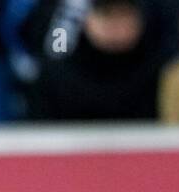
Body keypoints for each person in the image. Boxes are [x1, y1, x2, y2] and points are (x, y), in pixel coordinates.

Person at [33, 0, 169, 119]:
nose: (115, 26)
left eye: (124, 14)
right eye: (106, 14)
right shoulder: (58, 77)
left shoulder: (162, 74)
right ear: (87, 19)